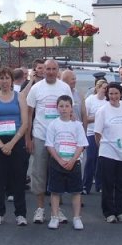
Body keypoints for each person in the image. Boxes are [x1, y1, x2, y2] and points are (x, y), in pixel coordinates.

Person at [25, 59, 72, 224]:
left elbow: (69, 112)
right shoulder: (36, 88)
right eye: (48, 69)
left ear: (58, 70)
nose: (51, 72)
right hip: (40, 136)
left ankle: (56, 209)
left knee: (57, 174)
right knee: (39, 173)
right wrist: (28, 138)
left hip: (59, 139)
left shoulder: (64, 88)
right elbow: (29, 114)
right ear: (42, 71)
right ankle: (40, 209)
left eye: (54, 69)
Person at [0, 67, 29, 226]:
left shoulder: (20, 96)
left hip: (16, 141)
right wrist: (1, 144)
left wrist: (12, 143)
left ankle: (20, 214)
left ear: (11, 80)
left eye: (7, 78)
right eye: (1, 78)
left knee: (18, 178)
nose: (4, 81)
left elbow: (25, 123)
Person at [44, 95, 89, 230]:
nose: (64, 109)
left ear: (71, 108)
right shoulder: (53, 124)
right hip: (57, 162)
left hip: (74, 163)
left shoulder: (77, 125)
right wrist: (59, 160)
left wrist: (73, 160)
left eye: (67, 106)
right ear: (57, 108)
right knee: (55, 191)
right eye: (61, 106)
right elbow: (50, 145)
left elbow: (81, 144)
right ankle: (54, 216)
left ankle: (76, 217)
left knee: (76, 192)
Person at [94, 82, 122, 223]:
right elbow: (97, 134)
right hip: (108, 152)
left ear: (121, 94)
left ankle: (121, 211)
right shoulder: (102, 111)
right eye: (111, 93)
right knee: (108, 184)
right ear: (107, 94)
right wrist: (104, 147)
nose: (114, 96)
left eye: (116, 93)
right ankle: (109, 212)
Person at [83, 79, 108, 194]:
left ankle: (100, 184)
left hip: (104, 134)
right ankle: (85, 186)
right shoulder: (90, 100)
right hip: (92, 133)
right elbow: (85, 118)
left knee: (101, 160)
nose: (105, 90)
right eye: (104, 88)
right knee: (91, 159)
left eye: (106, 88)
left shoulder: (107, 101)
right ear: (97, 88)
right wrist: (98, 118)